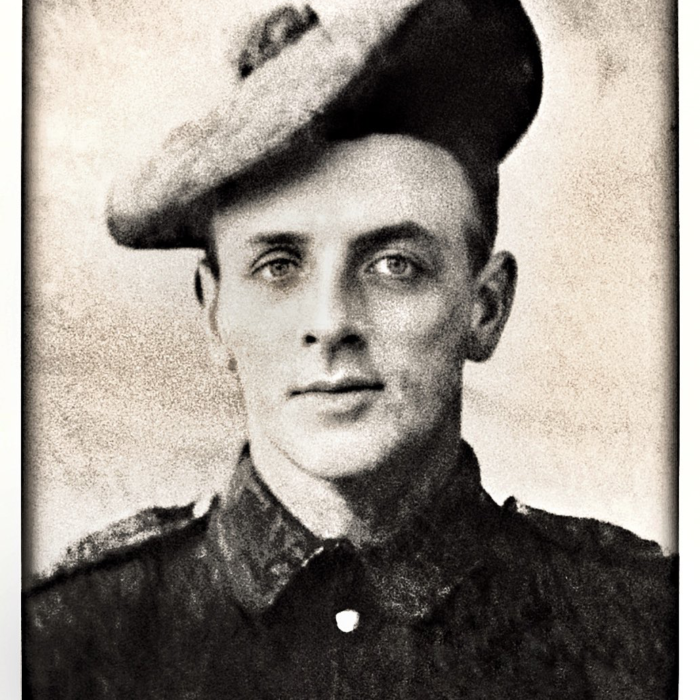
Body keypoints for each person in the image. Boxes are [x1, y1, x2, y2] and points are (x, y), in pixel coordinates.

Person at [23, 0, 677, 698]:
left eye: (395, 265)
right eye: (278, 266)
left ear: (485, 308)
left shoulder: (648, 629)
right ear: (215, 313)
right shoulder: (65, 640)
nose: (331, 322)